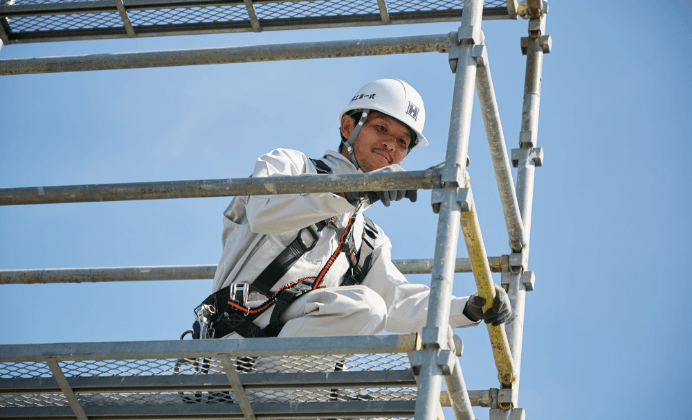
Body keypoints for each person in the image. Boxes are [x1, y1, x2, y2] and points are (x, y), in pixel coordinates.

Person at [202, 78, 510, 348]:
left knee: (441, 343)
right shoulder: (291, 166)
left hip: (290, 365)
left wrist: (467, 308)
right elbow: (264, 213)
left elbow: (398, 300)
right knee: (367, 307)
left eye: (402, 142)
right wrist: (352, 192)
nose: (390, 143)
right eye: (381, 128)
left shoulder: (365, 238)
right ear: (349, 127)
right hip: (234, 341)